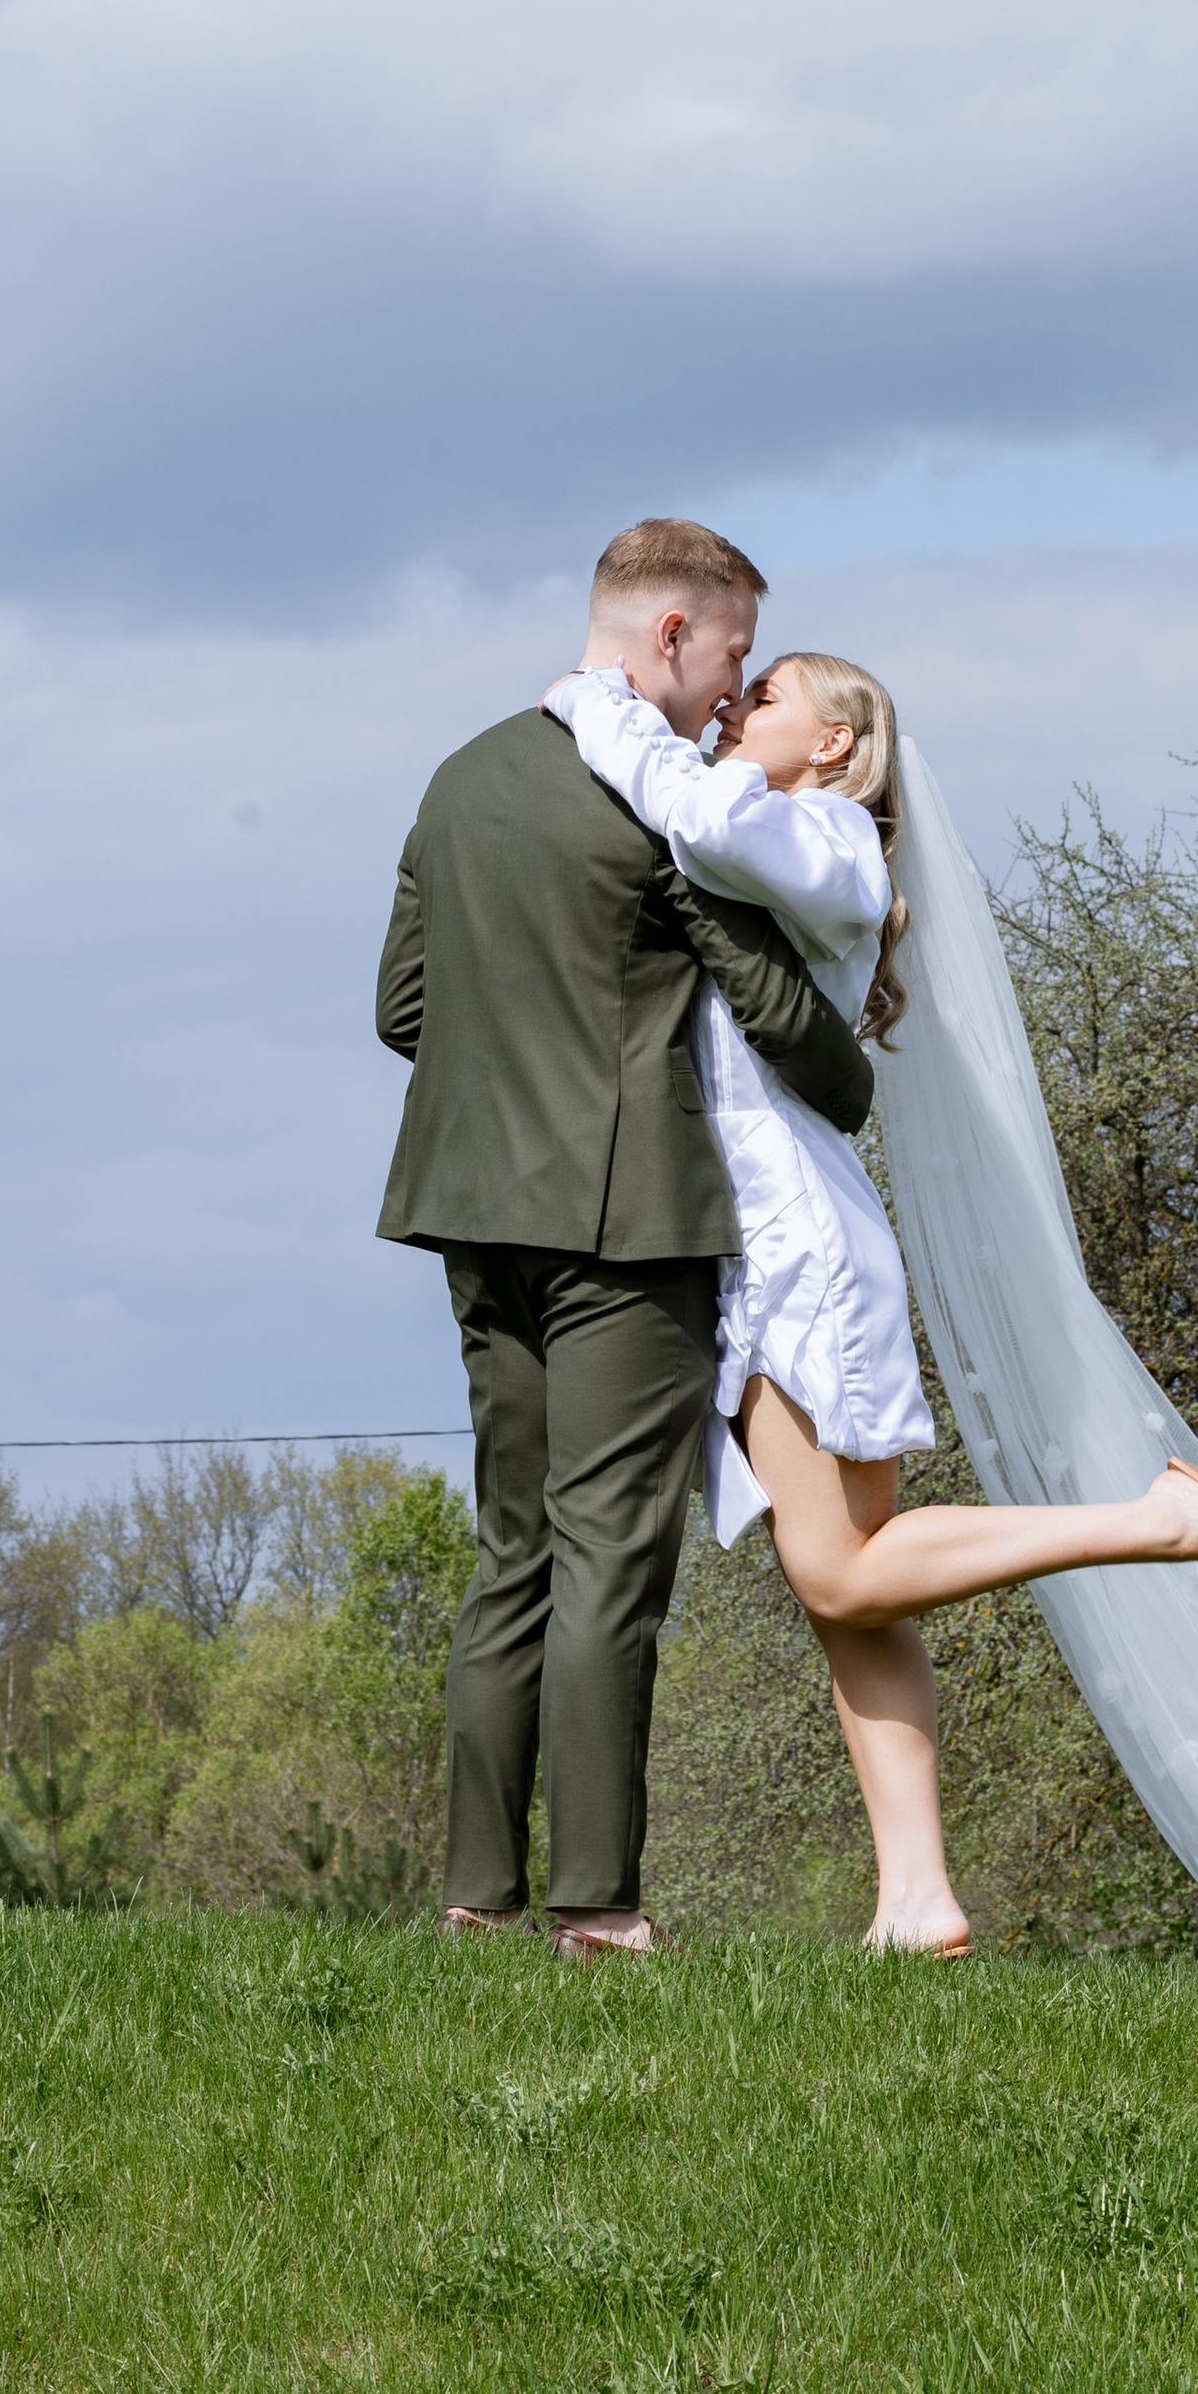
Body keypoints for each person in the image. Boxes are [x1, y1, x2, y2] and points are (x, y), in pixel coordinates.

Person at [543, 645, 1198, 1956]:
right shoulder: (797, 837)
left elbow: (698, 812)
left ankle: (1167, 1521)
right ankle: (918, 1900)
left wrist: (594, 701)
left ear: (840, 746)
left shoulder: (829, 837)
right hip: (767, 1234)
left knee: (842, 1577)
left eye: (769, 698)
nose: (738, 711)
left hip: (789, 1241)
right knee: (858, 1595)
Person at [374, 518, 876, 1957]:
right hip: (627, 1219)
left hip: (471, 1209)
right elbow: (791, 1028)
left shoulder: (461, 776)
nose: (730, 698)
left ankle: (478, 1898)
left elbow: (404, 1010)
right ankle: (598, 1908)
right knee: (612, 1560)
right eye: (727, 657)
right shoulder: (661, 798)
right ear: (668, 632)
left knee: (512, 1547)